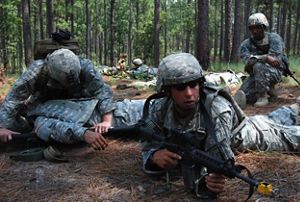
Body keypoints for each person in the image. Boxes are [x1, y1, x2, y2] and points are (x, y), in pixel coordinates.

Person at [141, 52, 300, 200]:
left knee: (286, 137)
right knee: (267, 119)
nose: (189, 93)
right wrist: (154, 156)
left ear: (200, 83)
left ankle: (293, 110)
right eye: (180, 87)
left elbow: (218, 156)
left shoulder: (216, 109)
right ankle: (293, 110)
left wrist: (211, 179)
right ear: (167, 90)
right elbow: (148, 145)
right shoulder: (159, 107)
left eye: (193, 84)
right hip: (248, 123)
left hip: (239, 135)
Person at [0, 48, 115, 149]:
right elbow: (13, 100)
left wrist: (106, 121)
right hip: (46, 105)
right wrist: (2, 127)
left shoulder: (86, 67)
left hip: (79, 104)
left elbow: (102, 91)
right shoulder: (36, 72)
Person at [239, 13, 288, 107]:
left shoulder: (274, 38)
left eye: (257, 27)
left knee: (258, 66)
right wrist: (265, 57)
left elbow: (275, 60)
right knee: (244, 95)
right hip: (256, 74)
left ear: (264, 27)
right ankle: (270, 91)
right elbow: (247, 62)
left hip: (275, 72)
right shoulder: (246, 44)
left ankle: (262, 96)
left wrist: (256, 59)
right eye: (252, 28)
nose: (255, 31)